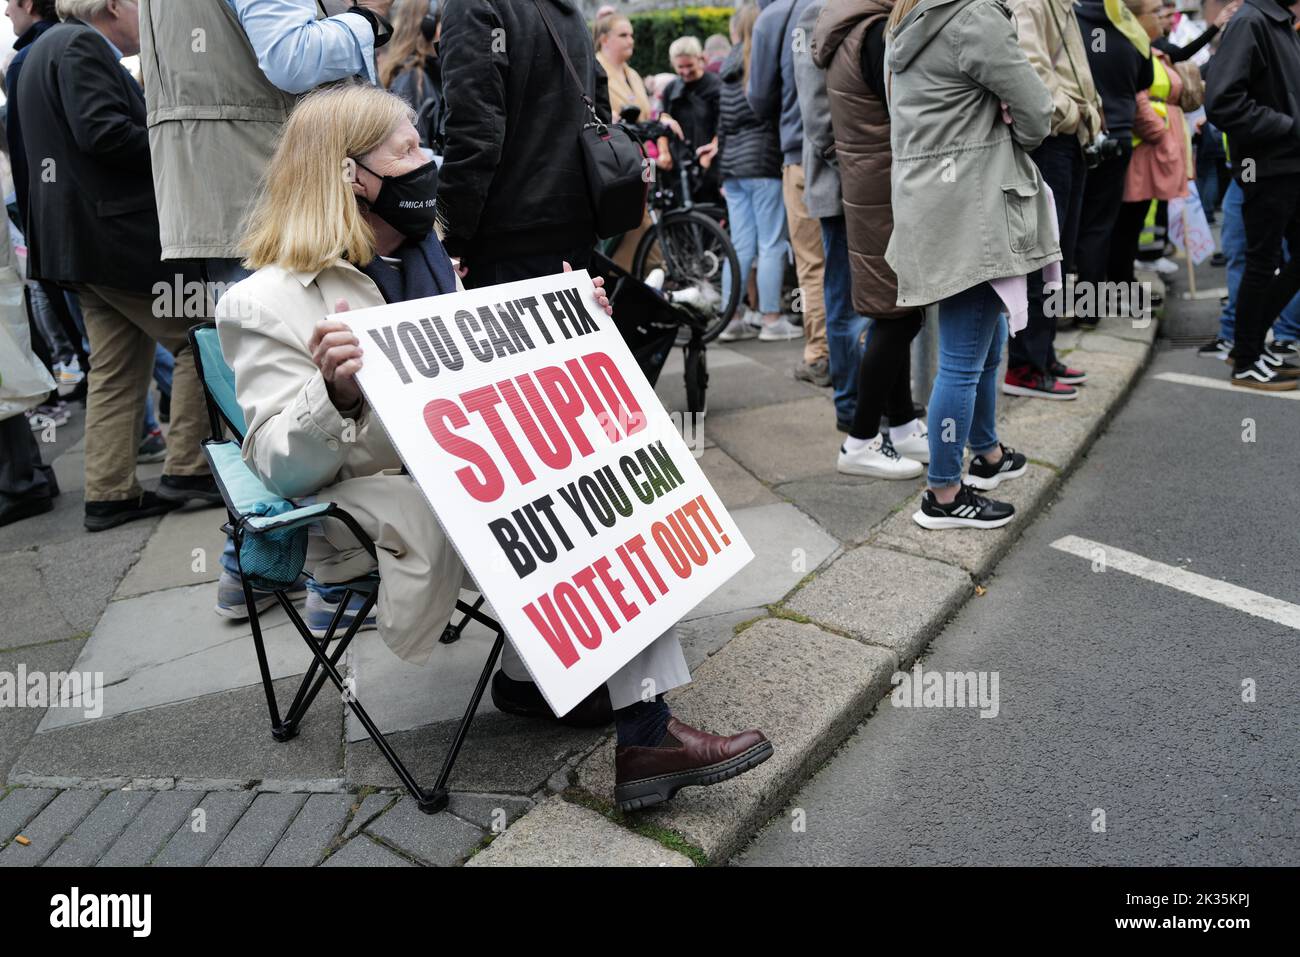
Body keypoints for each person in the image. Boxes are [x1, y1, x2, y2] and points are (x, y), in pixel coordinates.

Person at [217, 83, 772, 812]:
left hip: (466, 474)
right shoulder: (264, 302)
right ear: (351, 175)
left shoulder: (429, 258)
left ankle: (550, 686)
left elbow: (478, 382)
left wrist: (568, 328)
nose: (427, 162)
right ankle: (644, 728)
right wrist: (336, 395)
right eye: (407, 150)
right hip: (374, 501)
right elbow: (280, 465)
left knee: (609, 470)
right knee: (578, 509)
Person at [141, 0, 395, 621]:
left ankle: (258, 565)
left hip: (217, 181)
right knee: (300, 387)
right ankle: (331, 573)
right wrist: (368, 18)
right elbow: (291, 56)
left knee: (259, 392)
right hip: (265, 177)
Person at [20, 0, 211, 531]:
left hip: (78, 245)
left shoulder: (44, 49)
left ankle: (109, 494)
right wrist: (178, 137)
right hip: (116, 238)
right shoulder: (80, 45)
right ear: (112, 6)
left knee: (115, 368)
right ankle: (190, 469)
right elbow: (102, 134)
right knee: (201, 335)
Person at [886, 0, 1054, 529]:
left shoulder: (907, 20)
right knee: (962, 358)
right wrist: (1010, 123)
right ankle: (943, 493)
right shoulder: (973, 17)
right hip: (974, 205)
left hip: (937, 201)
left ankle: (984, 454)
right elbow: (1038, 113)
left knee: (982, 345)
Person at [814, 0, 929, 476]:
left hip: (872, 187)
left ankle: (900, 425)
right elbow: (909, 109)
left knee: (897, 309)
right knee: (898, 316)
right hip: (885, 190)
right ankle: (860, 442)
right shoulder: (876, 33)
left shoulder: (853, 29)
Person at [438, 0, 599, 284]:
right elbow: (601, 105)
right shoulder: (567, 10)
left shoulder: (474, 5)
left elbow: (476, 131)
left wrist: (450, 235)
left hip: (508, 235)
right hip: (572, 222)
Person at [1003, 0, 1096, 399]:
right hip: (1051, 141)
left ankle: (1042, 355)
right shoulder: (1030, 2)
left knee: (1059, 257)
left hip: (1065, 138)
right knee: (1044, 260)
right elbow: (1031, 70)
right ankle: (1026, 366)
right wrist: (1073, 114)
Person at [1205, 0, 1300, 390]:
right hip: (1268, 166)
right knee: (1262, 262)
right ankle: (1246, 359)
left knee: (1274, 260)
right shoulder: (1250, 21)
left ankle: (1248, 343)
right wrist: (1287, 127)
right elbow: (1223, 102)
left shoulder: (1276, 21)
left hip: (1287, 164)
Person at [796, 0, 871, 430]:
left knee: (876, 304)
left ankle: (876, 399)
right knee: (844, 305)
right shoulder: (813, 14)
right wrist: (853, 164)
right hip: (839, 184)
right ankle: (850, 406)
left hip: (865, 183)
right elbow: (816, 111)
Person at [749, 0, 831, 387]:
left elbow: (759, 99)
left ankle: (820, 355)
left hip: (801, 155)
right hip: (861, 152)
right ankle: (863, 349)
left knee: (812, 263)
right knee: (861, 258)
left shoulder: (773, 17)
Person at [715, 3, 799, 345]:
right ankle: (770, 318)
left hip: (733, 167)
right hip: (763, 164)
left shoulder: (726, 68)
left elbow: (723, 124)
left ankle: (730, 317)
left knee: (740, 245)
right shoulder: (759, 62)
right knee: (771, 243)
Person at [1074, 0, 1156, 308]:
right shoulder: (1130, 27)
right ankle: (1090, 306)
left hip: (1080, 131)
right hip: (1120, 134)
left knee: (1073, 223)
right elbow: (1145, 79)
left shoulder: (1071, 21)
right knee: (1099, 224)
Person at [1111, 0, 1194, 289]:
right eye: (1155, 13)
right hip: (1142, 147)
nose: (1162, 20)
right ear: (1136, 18)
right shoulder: (1133, 49)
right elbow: (1138, 99)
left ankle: (1127, 276)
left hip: (1152, 147)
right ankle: (1120, 281)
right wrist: (1160, 134)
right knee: (1128, 219)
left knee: (1138, 216)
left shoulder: (1153, 50)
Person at [657, 35, 724, 205]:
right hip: (679, 166)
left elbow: (724, 124)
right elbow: (662, 122)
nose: (685, 72)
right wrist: (664, 152)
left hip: (709, 163)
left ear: (700, 59)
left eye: (690, 66)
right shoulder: (671, 89)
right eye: (680, 67)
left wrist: (713, 150)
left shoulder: (715, 86)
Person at [379, 0, 445, 151]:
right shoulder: (413, 78)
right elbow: (415, 148)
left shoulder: (425, 74)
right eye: (443, 21)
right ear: (429, 27)